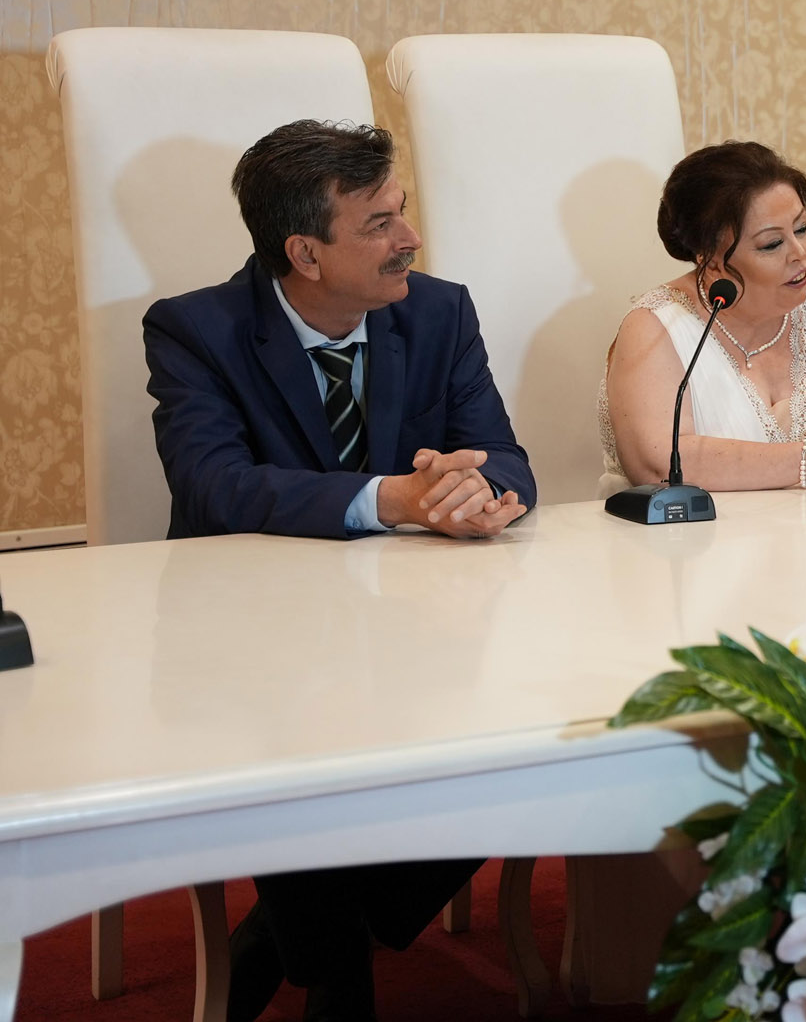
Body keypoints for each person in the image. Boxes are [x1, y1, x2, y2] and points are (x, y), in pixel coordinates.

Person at [144, 119, 534, 1021]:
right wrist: (392, 499)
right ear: (305, 253)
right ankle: (337, 977)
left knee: (519, 749)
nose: (411, 238)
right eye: (380, 224)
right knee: (293, 745)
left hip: (415, 632)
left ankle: (298, 943)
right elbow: (213, 486)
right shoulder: (196, 330)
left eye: (403, 212)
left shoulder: (439, 312)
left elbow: (506, 459)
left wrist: (472, 491)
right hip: (248, 642)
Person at [600, 140, 806, 491]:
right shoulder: (656, 326)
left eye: (802, 228)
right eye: (772, 244)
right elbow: (657, 464)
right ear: (711, 259)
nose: (800, 253)